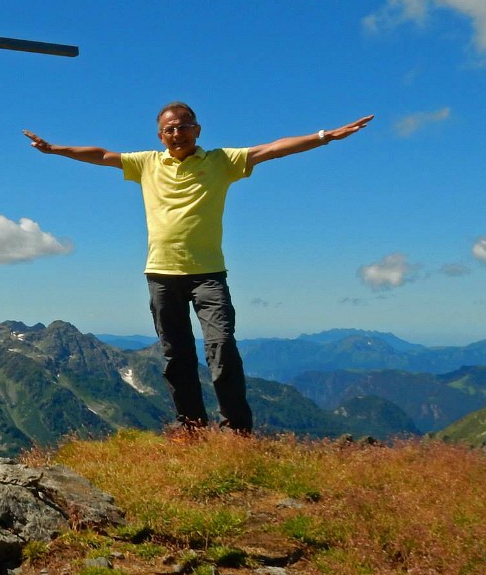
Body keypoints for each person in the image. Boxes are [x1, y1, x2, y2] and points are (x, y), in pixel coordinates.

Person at [23, 103, 373, 436]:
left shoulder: (222, 161)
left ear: (198, 130)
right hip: (161, 273)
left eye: (184, 127)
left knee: (221, 346)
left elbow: (273, 149)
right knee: (177, 355)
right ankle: (191, 427)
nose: (177, 134)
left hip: (208, 274)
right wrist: (54, 149)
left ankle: (237, 428)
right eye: (169, 129)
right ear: (160, 136)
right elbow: (101, 155)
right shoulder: (147, 164)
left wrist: (325, 135)